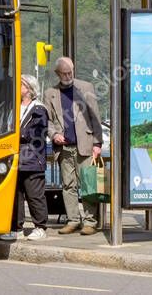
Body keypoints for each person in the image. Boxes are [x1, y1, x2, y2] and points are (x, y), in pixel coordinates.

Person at [44, 56, 103, 236]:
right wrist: (54, 135)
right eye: (64, 73)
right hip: (64, 148)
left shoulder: (86, 88)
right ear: (57, 73)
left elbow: (95, 118)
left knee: (88, 184)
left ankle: (90, 222)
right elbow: (47, 121)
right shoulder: (50, 93)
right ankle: (73, 220)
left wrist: (97, 143)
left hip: (84, 144)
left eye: (70, 72)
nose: (68, 75)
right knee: (68, 185)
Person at [1, 74, 49, 241]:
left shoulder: (39, 109)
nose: (17, 88)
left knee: (34, 194)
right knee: (16, 195)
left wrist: (16, 134)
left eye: (20, 85)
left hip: (32, 159)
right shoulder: (13, 107)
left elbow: (36, 133)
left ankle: (40, 227)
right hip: (16, 157)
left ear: (29, 89)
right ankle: (16, 227)